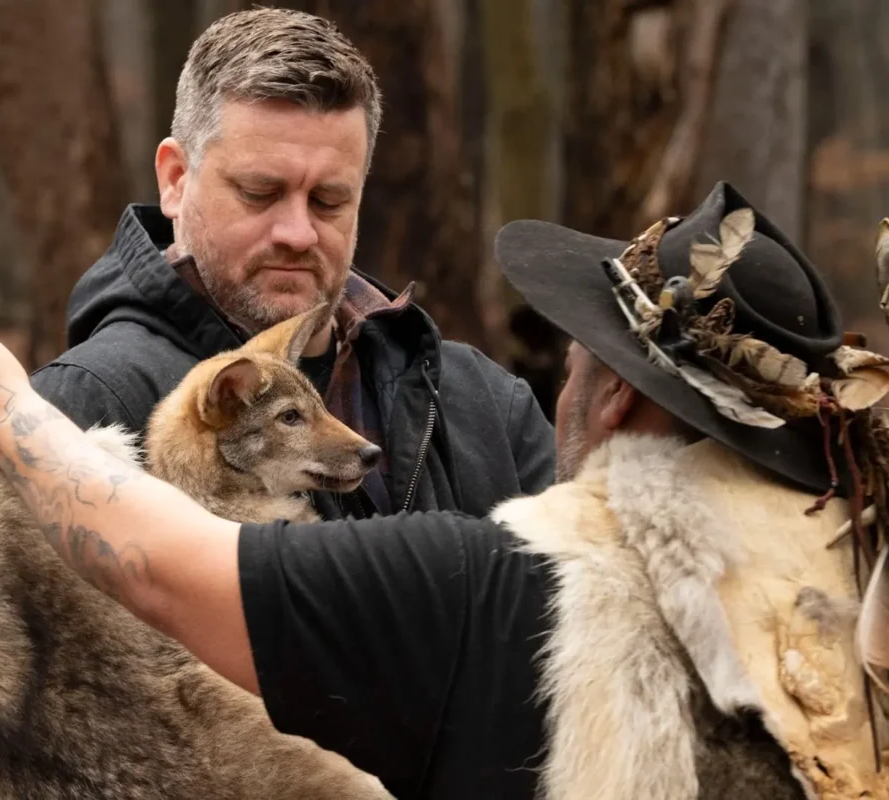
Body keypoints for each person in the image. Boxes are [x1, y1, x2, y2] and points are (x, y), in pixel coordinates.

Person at [0, 181, 889, 799]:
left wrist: (3, 408)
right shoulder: (859, 622)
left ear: (619, 393)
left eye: (580, 351)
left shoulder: (490, 591)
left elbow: (163, 567)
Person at [28, 8, 555, 519]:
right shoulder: (81, 405)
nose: (298, 234)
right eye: (260, 192)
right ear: (175, 180)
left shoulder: (487, 402)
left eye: (329, 200)